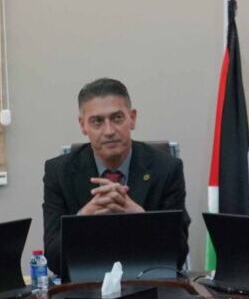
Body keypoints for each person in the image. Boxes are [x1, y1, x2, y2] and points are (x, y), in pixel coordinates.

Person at [40, 78, 188, 278]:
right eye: (97, 121)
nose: (109, 131)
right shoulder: (59, 172)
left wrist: (141, 218)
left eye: (117, 118)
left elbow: (178, 256)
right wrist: (83, 219)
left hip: (150, 284)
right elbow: (54, 260)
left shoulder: (167, 169)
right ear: (83, 125)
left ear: (132, 118)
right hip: (84, 287)